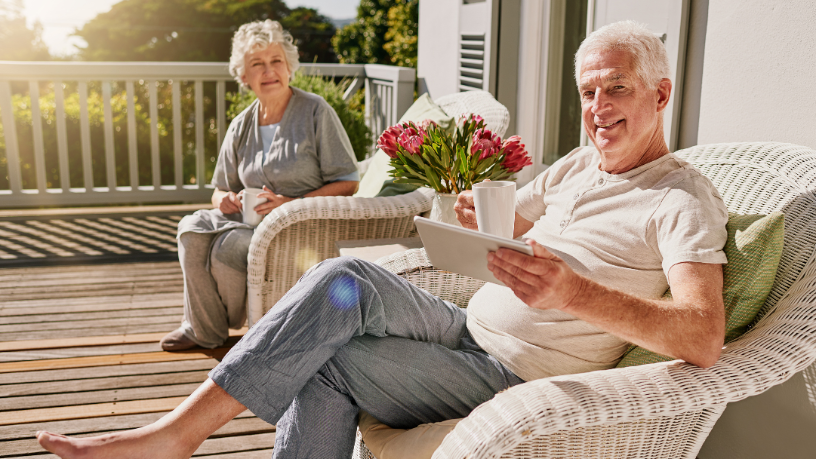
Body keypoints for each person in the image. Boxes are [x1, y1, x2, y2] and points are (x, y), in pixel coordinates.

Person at [37, 20, 728, 459]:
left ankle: (175, 437)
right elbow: (513, 223)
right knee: (343, 282)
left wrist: (573, 292)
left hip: (514, 370)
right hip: (464, 323)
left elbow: (702, 335)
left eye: (616, 90)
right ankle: (175, 434)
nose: (598, 110)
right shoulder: (580, 164)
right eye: (587, 93)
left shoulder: (681, 199)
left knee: (324, 359)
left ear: (660, 95)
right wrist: (474, 217)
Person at [160, 20, 360, 352]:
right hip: (249, 220)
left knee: (228, 247)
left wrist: (290, 202)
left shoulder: (315, 112)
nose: (269, 71)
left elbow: (348, 182)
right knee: (191, 230)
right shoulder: (241, 124)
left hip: (299, 224)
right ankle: (203, 329)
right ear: (244, 76)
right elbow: (218, 189)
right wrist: (225, 200)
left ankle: (224, 325)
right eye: (257, 64)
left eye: (276, 60)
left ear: (289, 67)